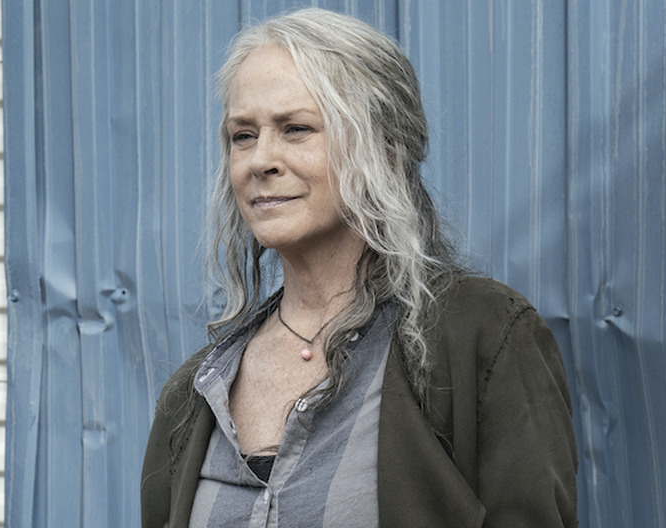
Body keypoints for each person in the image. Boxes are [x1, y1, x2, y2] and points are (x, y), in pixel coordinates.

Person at [141, 7, 577, 527]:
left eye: (296, 128)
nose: (260, 160)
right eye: (243, 135)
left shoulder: (479, 340)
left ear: (385, 148)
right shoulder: (194, 395)